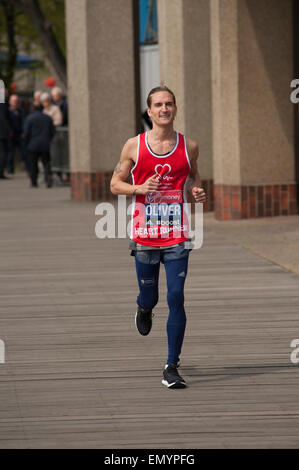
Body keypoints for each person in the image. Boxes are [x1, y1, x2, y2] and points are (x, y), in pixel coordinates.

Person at [110, 85, 206, 388]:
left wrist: (196, 190)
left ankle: (171, 365)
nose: (165, 109)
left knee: (176, 296)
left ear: (175, 109)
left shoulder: (189, 146)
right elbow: (115, 184)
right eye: (158, 105)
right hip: (145, 235)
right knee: (150, 295)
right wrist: (137, 188)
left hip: (177, 233)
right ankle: (144, 306)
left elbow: (194, 176)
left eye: (169, 104)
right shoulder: (133, 146)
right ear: (149, 111)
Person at [23, 104, 55, 188]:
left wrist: (26, 143)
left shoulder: (29, 118)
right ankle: (48, 177)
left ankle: (34, 182)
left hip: (33, 144)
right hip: (45, 144)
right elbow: (53, 132)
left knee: (33, 164)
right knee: (46, 163)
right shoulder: (48, 118)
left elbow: (26, 132)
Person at [7, 94, 27, 174]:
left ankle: (25, 167)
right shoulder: (8, 111)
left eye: (16, 101)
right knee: (10, 153)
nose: (15, 102)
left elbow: (24, 122)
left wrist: (24, 132)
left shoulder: (21, 111)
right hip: (11, 135)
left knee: (24, 152)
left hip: (20, 134)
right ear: (10, 102)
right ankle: (10, 169)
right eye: (13, 101)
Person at [0, 88, 11, 179]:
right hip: (2, 133)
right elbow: (3, 118)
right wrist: (8, 130)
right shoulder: (2, 104)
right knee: (3, 153)